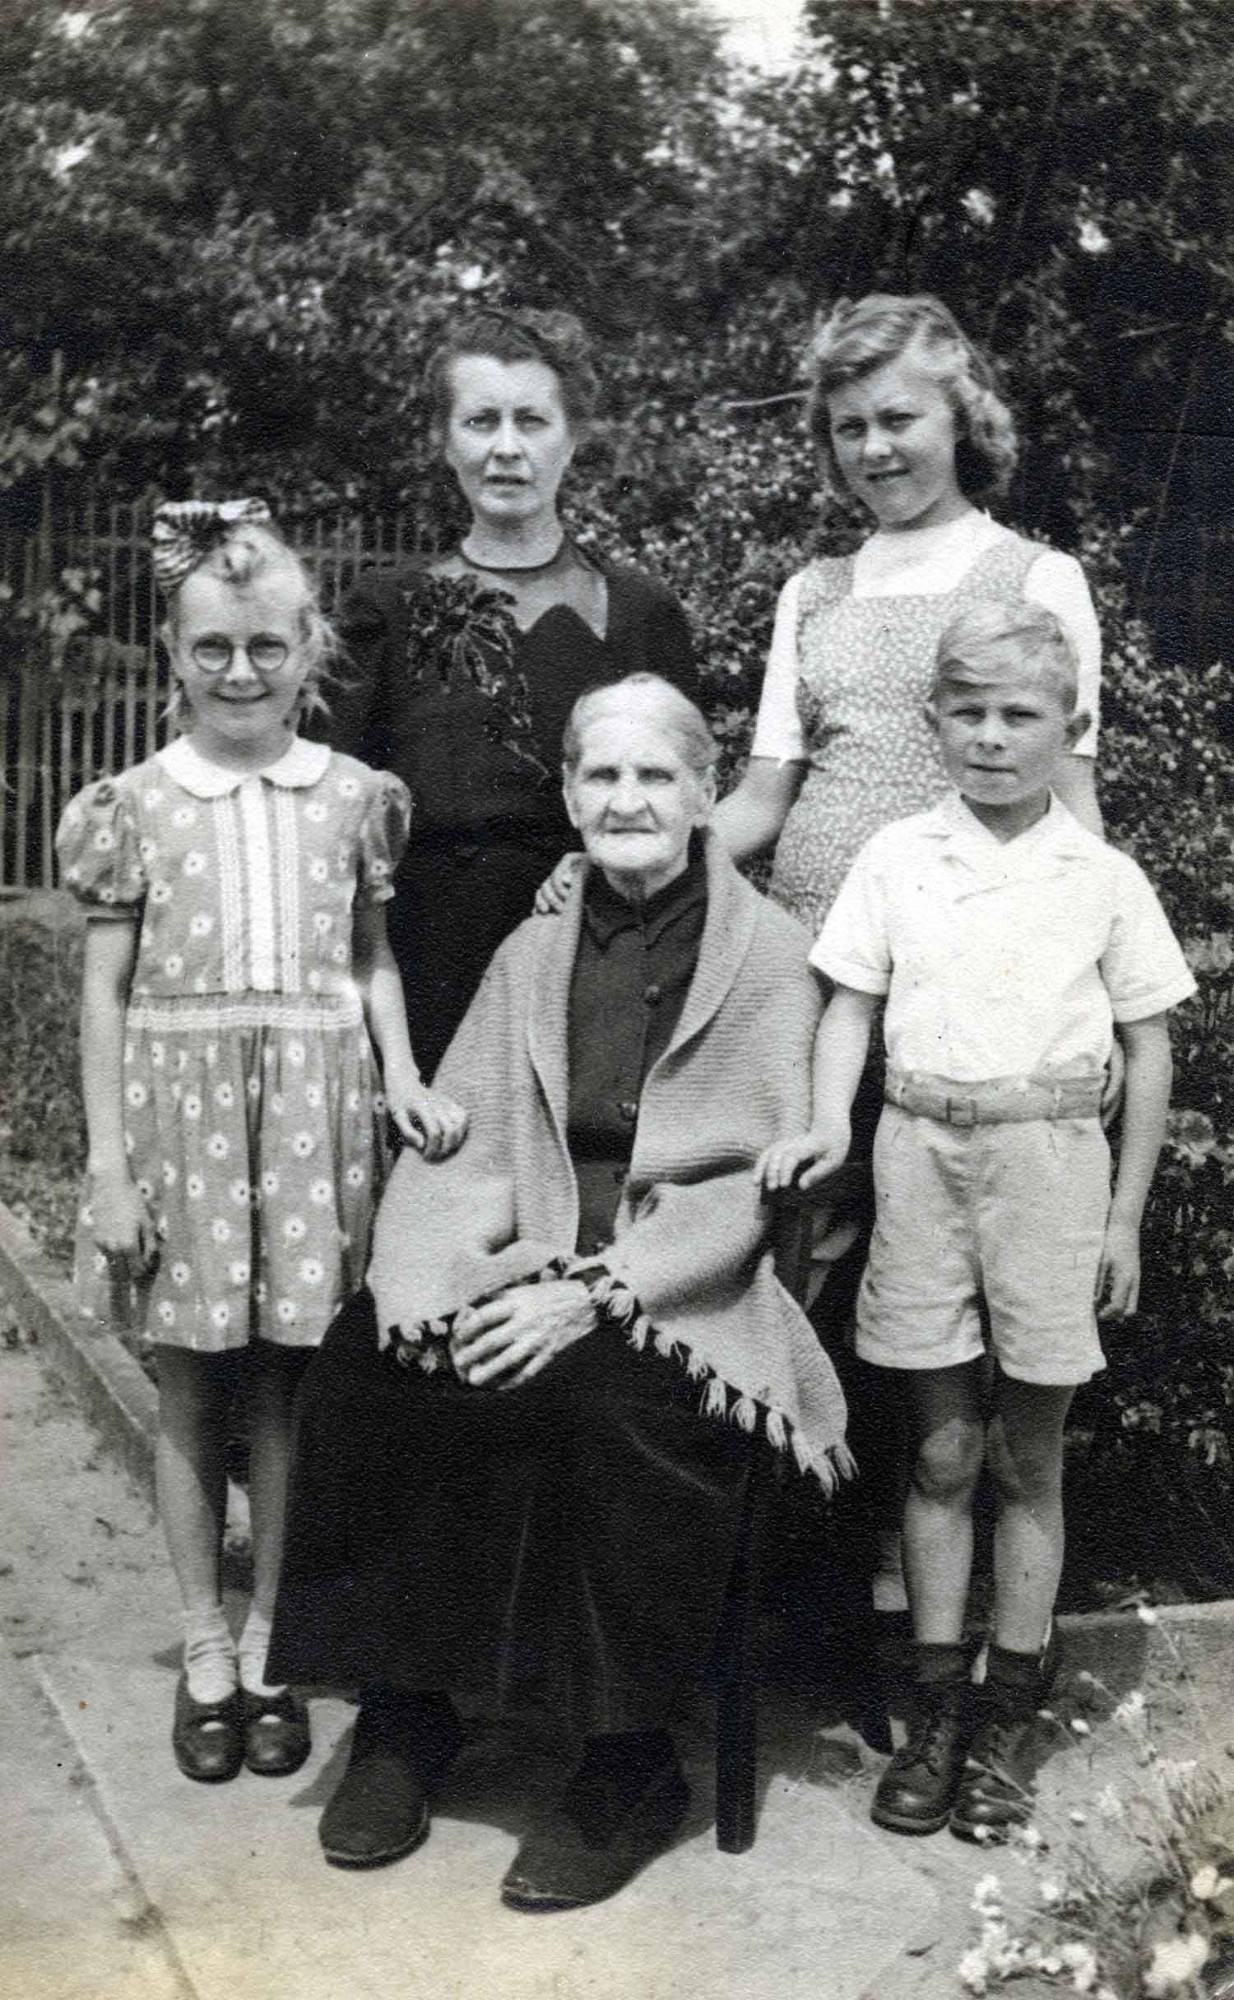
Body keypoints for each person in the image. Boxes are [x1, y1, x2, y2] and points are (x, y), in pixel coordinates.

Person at [268, 673, 851, 1909]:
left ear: (706, 791)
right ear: (573, 796)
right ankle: (406, 1712)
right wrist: (434, 1287)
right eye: (603, 774)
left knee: (610, 1404)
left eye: (656, 774)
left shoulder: (771, 954)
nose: (628, 798)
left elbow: (755, 1180)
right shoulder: (533, 945)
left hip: (682, 1282)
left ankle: (627, 1761)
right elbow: (468, 1130)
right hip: (526, 1241)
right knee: (371, 1367)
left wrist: (596, 1291)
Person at [757, 601, 1195, 1842]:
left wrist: (1123, 1218)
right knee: (942, 1451)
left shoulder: (1099, 876)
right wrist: (829, 1124)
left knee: (1025, 1457)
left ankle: (1009, 1711)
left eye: (1019, 714)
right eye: (968, 713)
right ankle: (937, 1707)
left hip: (1049, 1164)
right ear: (933, 721)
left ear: (1069, 725)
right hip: (919, 1156)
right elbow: (849, 1005)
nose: (992, 736)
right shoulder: (898, 854)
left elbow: (1147, 1048)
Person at [55, 501, 466, 1787]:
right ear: (174, 655)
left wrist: (403, 1074)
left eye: (267, 647)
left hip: (307, 1115)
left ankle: (273, 1642)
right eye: (213, 648)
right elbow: (104, 993)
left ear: (309, 652)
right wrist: (109, 1165)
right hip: (178, 1124)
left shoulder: (350, 798)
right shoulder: (133, 803)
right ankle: (203, 1645)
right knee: (190, 1381)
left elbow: (370, 960)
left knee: (289, 1382)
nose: (241, 671)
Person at [325, 306, 700, 1078]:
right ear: (444, 439)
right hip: (425, 965)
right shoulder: (384, 610)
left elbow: (684, 808)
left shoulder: (641, 613)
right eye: (480, 421)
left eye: (531, 420)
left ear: (573, 435)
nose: (506, 448)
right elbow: (332, 814)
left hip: (595, 949)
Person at [714, 291, 1104, 931]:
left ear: (959, 420)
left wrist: (1092, 949)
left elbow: (1069, 793)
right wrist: (628, 866)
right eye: (850, 427)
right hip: (810, 928)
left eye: (898, 419)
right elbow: (761, 799)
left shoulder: (1037, 579)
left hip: (963, 932)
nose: (873, 448)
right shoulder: (812, 592)